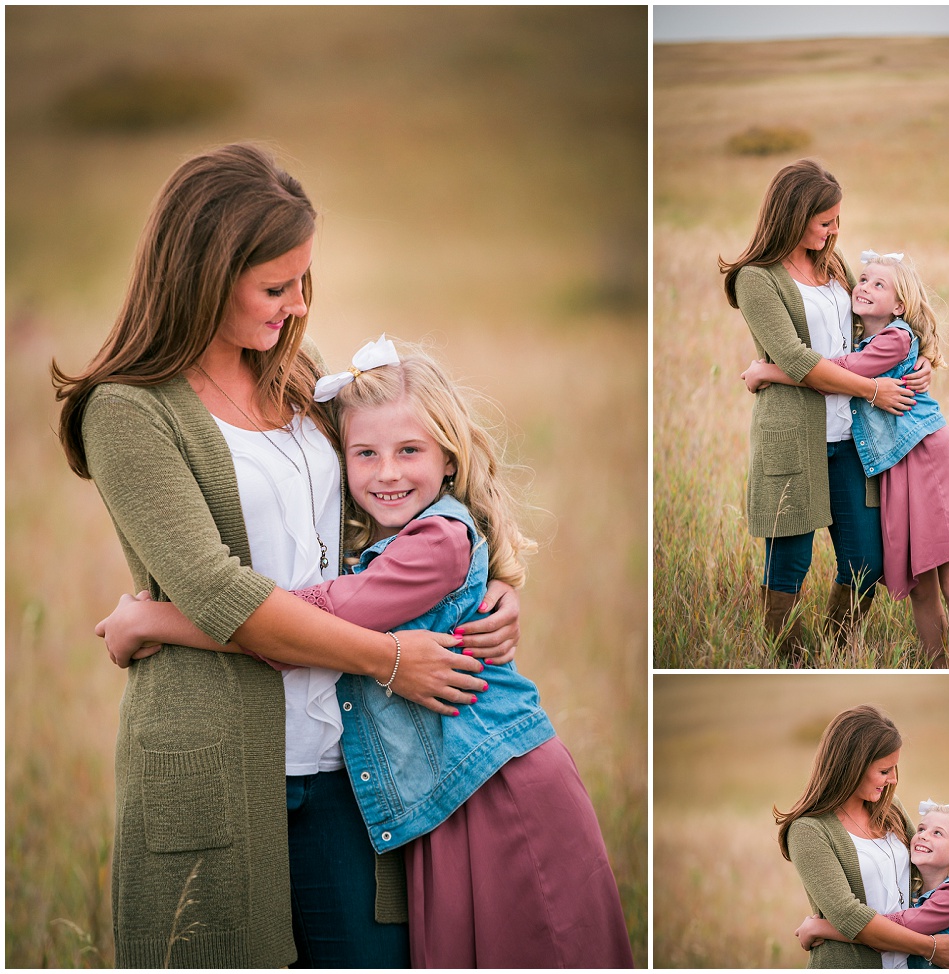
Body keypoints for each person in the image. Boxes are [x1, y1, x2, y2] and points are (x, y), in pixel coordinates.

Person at [51, 144, 520, 968]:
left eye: (304, 280)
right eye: (275, 287)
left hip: (350, 765)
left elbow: (402, 499)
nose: (299, 304)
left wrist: (495, 589)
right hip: (217, 766)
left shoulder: (295, 379)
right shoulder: (126, 413)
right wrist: (389, 659)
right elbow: (216, 590)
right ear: (203, 274)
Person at [95, 336, 636, 968]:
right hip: (444, 796)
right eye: (365, 454)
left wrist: (154, 619)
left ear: (450, 460)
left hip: (495, 788)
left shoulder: (435, 541)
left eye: (411, 451)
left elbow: (312, 620)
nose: (387, 472)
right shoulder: (402, 540)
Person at [718, 159, 932, 664]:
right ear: (794, 215)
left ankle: (838, 651)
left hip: (852, 440)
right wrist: (873, 390)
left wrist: (915, 362)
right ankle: (787, 659)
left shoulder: (832, 266)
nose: (835, 231)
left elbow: (870, 335)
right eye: (825, 222)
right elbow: (796, 359)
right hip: (792, 438)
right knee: (788, 564)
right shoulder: (757, 279)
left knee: (865, 563)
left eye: (838, 220)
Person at [741, 252, 949, 666]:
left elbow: (844, 364)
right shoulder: (764, 281)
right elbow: (848, 350)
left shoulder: (885, 327)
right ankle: (802, 662)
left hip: (918, 458)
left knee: (927, 578)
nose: (864, 287)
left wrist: (767, 372)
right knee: (919, 587)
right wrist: (914, 355)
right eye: (864, 280)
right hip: (890, 465)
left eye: (878, 284)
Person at [773, 705, 949, 968]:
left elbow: (938, 864)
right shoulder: (809, 831)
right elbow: (849, 917)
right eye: (883, 771)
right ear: (852, 767)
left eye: (894, 769)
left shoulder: (890, 809)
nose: (892, 779)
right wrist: (930, 948)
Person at [794, 800, 949, 968]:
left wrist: (821, 928)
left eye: (937, 833)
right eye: (921, 829)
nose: (923, 836)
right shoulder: (919, 888)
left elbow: (898, 928)